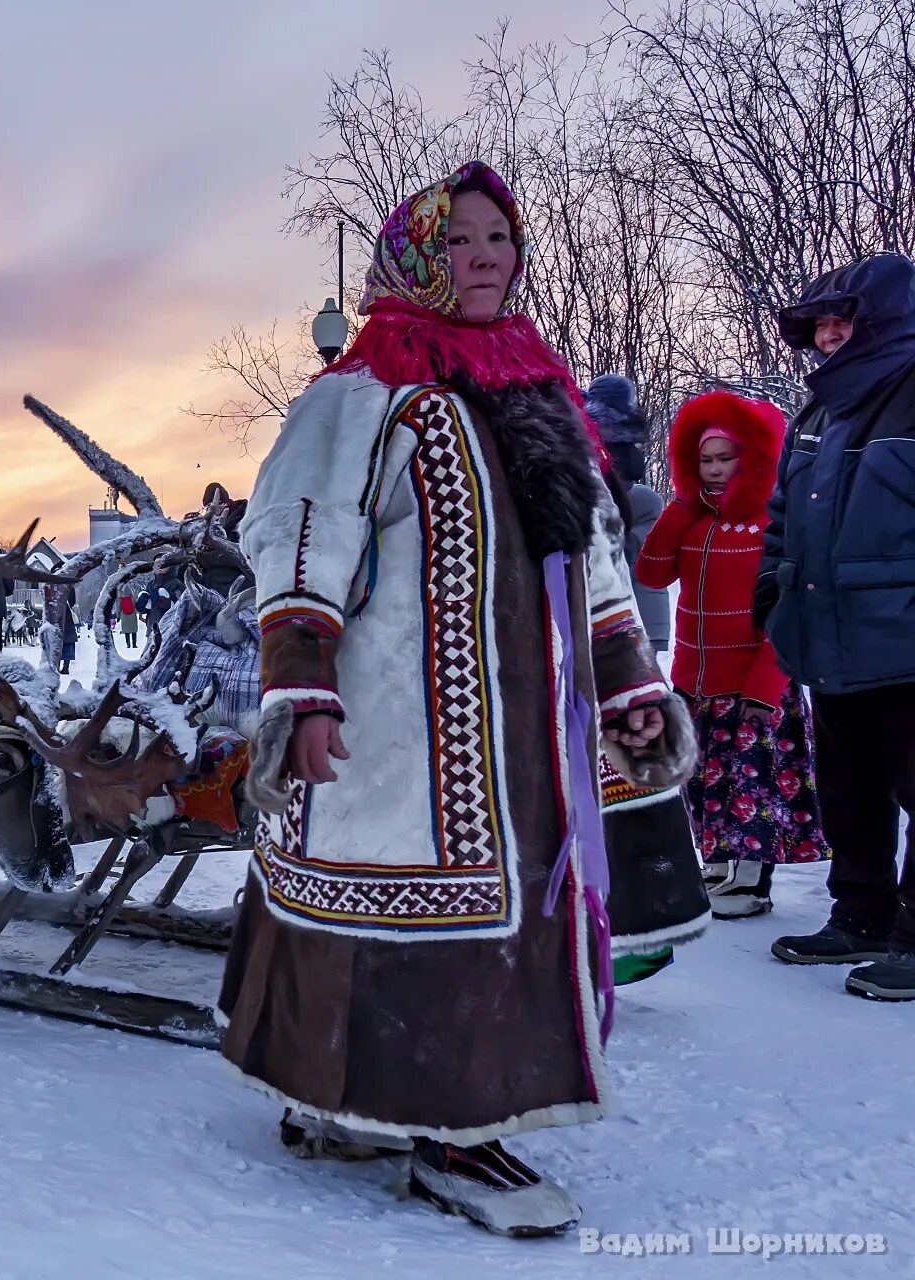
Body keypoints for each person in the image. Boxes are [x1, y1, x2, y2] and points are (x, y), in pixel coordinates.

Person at [231, 162, 690, 1235]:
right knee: (392, 890)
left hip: (531, 727)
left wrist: (627, 677)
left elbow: (599, 554)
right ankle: (429, 1124)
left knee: (511, 898)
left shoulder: (536, 391)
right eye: (464, 240)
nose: (488, 258)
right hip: (397, 727)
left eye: (500, 239)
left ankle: (425, 1111)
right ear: (418, 254)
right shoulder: (361, 392)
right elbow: (300, 529)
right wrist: (302, 685)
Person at [758, 252, 915, 1000]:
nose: (825, 336)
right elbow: (784, 515)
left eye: (840, 321)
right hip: (832, 631)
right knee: (848, 790)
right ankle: (861, 914)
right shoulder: (817, 412)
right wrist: (771, 586)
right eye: (818, 324)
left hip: (906, 638)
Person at [636, 391, 828, 919]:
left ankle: (752, 879)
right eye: (705, 460)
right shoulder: (695, 521)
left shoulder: (771, 525)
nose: (715, 470)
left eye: (727, 459)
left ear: (754, 459)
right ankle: (719, 865)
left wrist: (766, 688)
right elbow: (652, 572)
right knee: (705, 781)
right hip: (697, 685)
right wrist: (680, 507)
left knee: (752, 781)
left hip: (752, 687)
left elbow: (782, 615)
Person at [585, 375, 671, 653]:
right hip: (600, 502)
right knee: (638, 564)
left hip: (605, 502)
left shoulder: (576, 427)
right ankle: (648, 632)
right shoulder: (604, 435)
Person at [44, 582, 77, 674]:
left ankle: (59, 666)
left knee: (59, 638)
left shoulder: (50, 583)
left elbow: (72, 602)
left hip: (54, 611)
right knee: (65, 638)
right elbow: (72, 602)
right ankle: (63, 666)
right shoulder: (65, 583)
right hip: (60, 611)